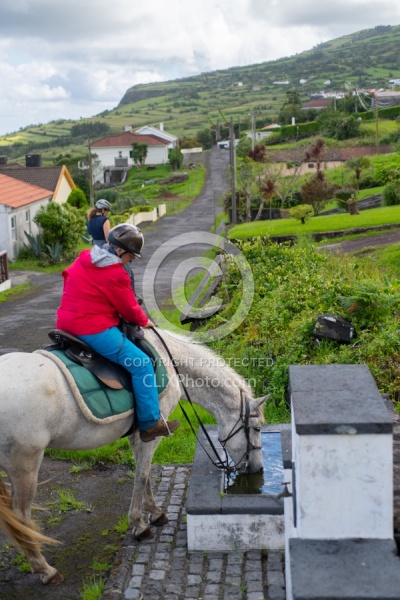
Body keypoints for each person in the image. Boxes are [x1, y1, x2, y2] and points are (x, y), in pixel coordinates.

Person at [56, 223, 180, 442]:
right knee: (141, 365)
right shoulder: (115, 273)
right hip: (93, 329)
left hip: (65, 322)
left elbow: (70, 281)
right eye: (131, 256)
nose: (130, 261)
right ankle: (151, 423)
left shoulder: (85, 257)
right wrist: (145, 321)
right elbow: (129, 309)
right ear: (120, 251)